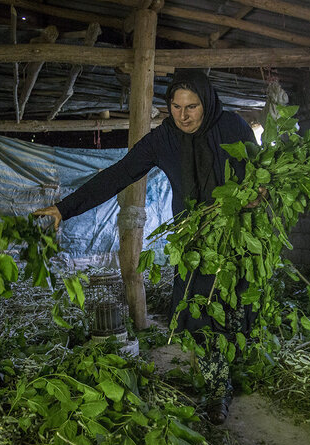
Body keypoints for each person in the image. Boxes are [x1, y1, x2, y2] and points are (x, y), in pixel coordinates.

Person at [33, 69, 264, 423]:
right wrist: (65, 207)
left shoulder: (233, 127)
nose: (183, 115)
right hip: (196, 245)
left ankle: (234, 371)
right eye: (176, 106)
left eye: (192, 106)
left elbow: (261, 174)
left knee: (237, 311)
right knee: (202, 315)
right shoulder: (163, 140)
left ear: (207, 103)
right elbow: (118, 174)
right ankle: (218, 391)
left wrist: (258, 194)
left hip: (238, 239)